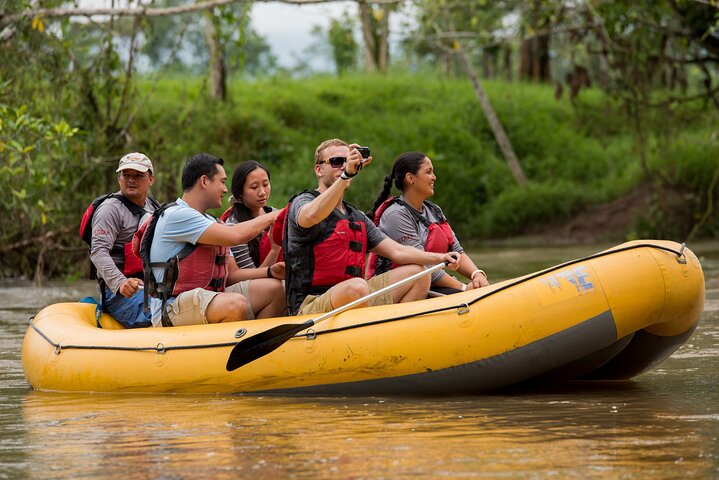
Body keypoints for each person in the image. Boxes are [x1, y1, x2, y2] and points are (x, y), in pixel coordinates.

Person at [283, 138, 461, 316]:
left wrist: (440, 257)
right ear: (318, 169)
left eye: (347, 161)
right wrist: (345, 176)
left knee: (419, 273)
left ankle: (393, 332)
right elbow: (310, 216)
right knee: (357, 287)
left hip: (357, 296)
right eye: (337, 162)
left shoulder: (356, 216)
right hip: (310, 304)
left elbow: (397, 251)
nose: (343, 166)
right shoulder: (303, 201)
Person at [136, 153, 281, 327]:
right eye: (222, 181)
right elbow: (236, 235)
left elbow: (232, 274)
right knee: (234, 303)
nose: (226, 189)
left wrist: (271, 271)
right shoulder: (177, 215)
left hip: (207, 298)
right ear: (204, 181)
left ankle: (259, 348)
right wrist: (275, 216)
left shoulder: (212, 222)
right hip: (170, 307)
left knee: (276, 290)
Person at [367, 151, 490, 293]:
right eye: (428, 172)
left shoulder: (434, 210)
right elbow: (423, 265)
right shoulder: (395, 215)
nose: (434, 177)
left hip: (430, 283)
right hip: (401, 287)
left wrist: (477, 274)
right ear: (410, 178)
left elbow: (456, 251)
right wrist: (463, 288)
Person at [87, 152, 160, 328]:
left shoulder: (154, 206)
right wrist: (121, 283)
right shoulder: (110, 210)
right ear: (119, 179)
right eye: (126, 175)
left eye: (138, 175)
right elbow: (98, 252)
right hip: (119, 294)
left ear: (151, 179)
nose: (131, 180)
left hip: (150, 286)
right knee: (162, 313)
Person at [221, 160, 285, 317]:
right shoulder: (234, 226)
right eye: (254, 187)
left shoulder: (275, 214)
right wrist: (274, 250)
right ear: (240, 192)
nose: (262, 192)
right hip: (254, 292)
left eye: (266, 184)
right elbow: (253, 277)